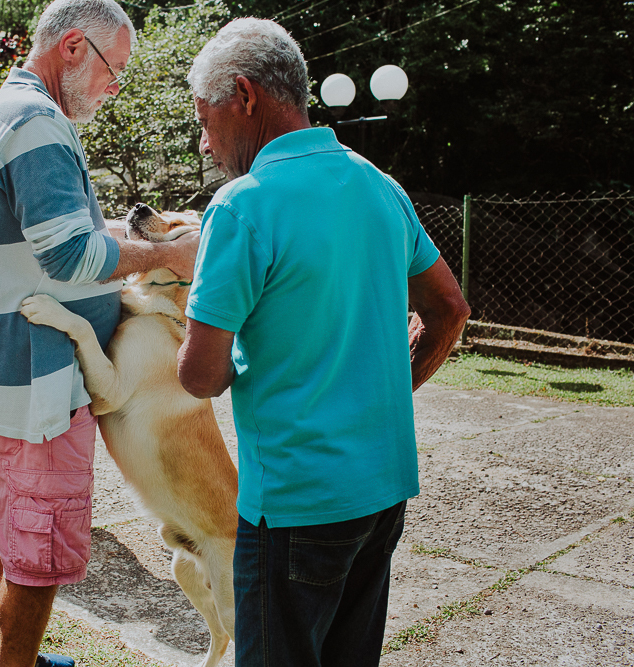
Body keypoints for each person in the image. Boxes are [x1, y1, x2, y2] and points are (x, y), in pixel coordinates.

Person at [177, 18, 472, 667]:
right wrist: (387, 386)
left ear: (245, 96)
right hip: (382, 490)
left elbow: (200, 376)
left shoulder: (241, 206)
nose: (204, 143)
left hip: (294, 503)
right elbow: (449, 309)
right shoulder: (379, 185)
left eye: (204, 119)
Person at [0, 1, 197, 665]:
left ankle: (6, 659)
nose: (113, 87)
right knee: (38, 560)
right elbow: (70, 255)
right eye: (112, 69)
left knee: (18, 539)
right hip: (38, 387)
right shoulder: (35, 121)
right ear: (71, 47)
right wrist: (167, 255)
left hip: (15, 377)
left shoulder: (17, 110)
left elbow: (55, 240)